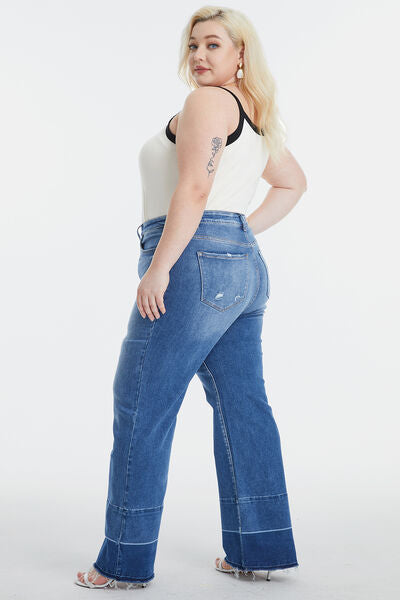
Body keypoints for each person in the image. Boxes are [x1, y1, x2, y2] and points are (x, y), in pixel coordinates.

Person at [75, 5, 307, 590]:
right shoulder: (254, 113)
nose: (199, 55)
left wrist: (160, 268)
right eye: (193, 45)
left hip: (189, 259)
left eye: (213, 44)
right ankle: (258, 549)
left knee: (142, 403)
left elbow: (196, 187)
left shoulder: (207, 102)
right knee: (243, 405)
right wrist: (239, 235)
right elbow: (291, 183)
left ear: (240, 54)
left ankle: (123, 562)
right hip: (239, 267)